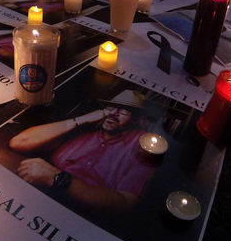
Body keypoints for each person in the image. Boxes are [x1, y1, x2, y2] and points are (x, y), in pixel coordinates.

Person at [9, 90, 155, 212]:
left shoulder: (142, 144)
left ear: (137, 119)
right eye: (111, 107)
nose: (113, 113)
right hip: (39, 201)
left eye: (124, 110)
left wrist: (56, 177)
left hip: (84, 216)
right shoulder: (84, 130)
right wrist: (81, 120)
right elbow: (19, 143)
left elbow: (126, 203)